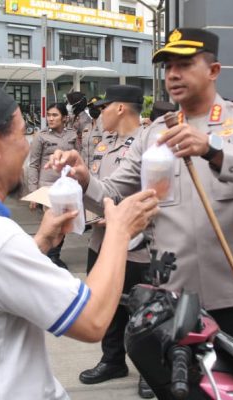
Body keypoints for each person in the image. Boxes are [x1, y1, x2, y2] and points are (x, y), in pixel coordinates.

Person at [49, 28, 233, 363]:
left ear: (213, 71)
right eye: (168, 67)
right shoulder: (153, 135)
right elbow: (113, 193)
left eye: (185, 64)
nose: (173, 74)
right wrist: (84, 178)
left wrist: (213, 150)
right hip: (174, 300)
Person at [0, 83, 158, 399]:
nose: (28, 146)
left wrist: (41, 241)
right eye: (20, 135)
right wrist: (119, 231)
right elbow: (93, 319)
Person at [76, 85, 153, 398]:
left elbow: (150, 192)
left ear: (120, 108)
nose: (100, 112)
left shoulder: (148, 143)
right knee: (107, 302)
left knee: (143, 309)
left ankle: (149, 369)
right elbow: (100, 186)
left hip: (137, 244)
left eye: (105, 106)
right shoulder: (100, 140)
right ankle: (112, 360)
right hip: (101, 238)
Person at [28, 102, 77, 269]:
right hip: (47, 187)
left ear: (64, 117)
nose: (50, 118)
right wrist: (33, 192)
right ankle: (51, 258)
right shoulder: (41, 137)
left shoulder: (72, 135)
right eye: (48, 115)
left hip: (67, 186)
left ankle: (55, 255)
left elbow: (78, 158)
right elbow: (33, 165)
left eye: (54, 115)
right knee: (53, 222)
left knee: (64, 224)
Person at [80, 96, 104, 169]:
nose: (93, 109)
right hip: (86, 169)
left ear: (102, 108)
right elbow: (83, 149)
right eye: (91, 107)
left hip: (99, 169)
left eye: (96, 106)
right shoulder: (86, 127)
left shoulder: (106, 127)